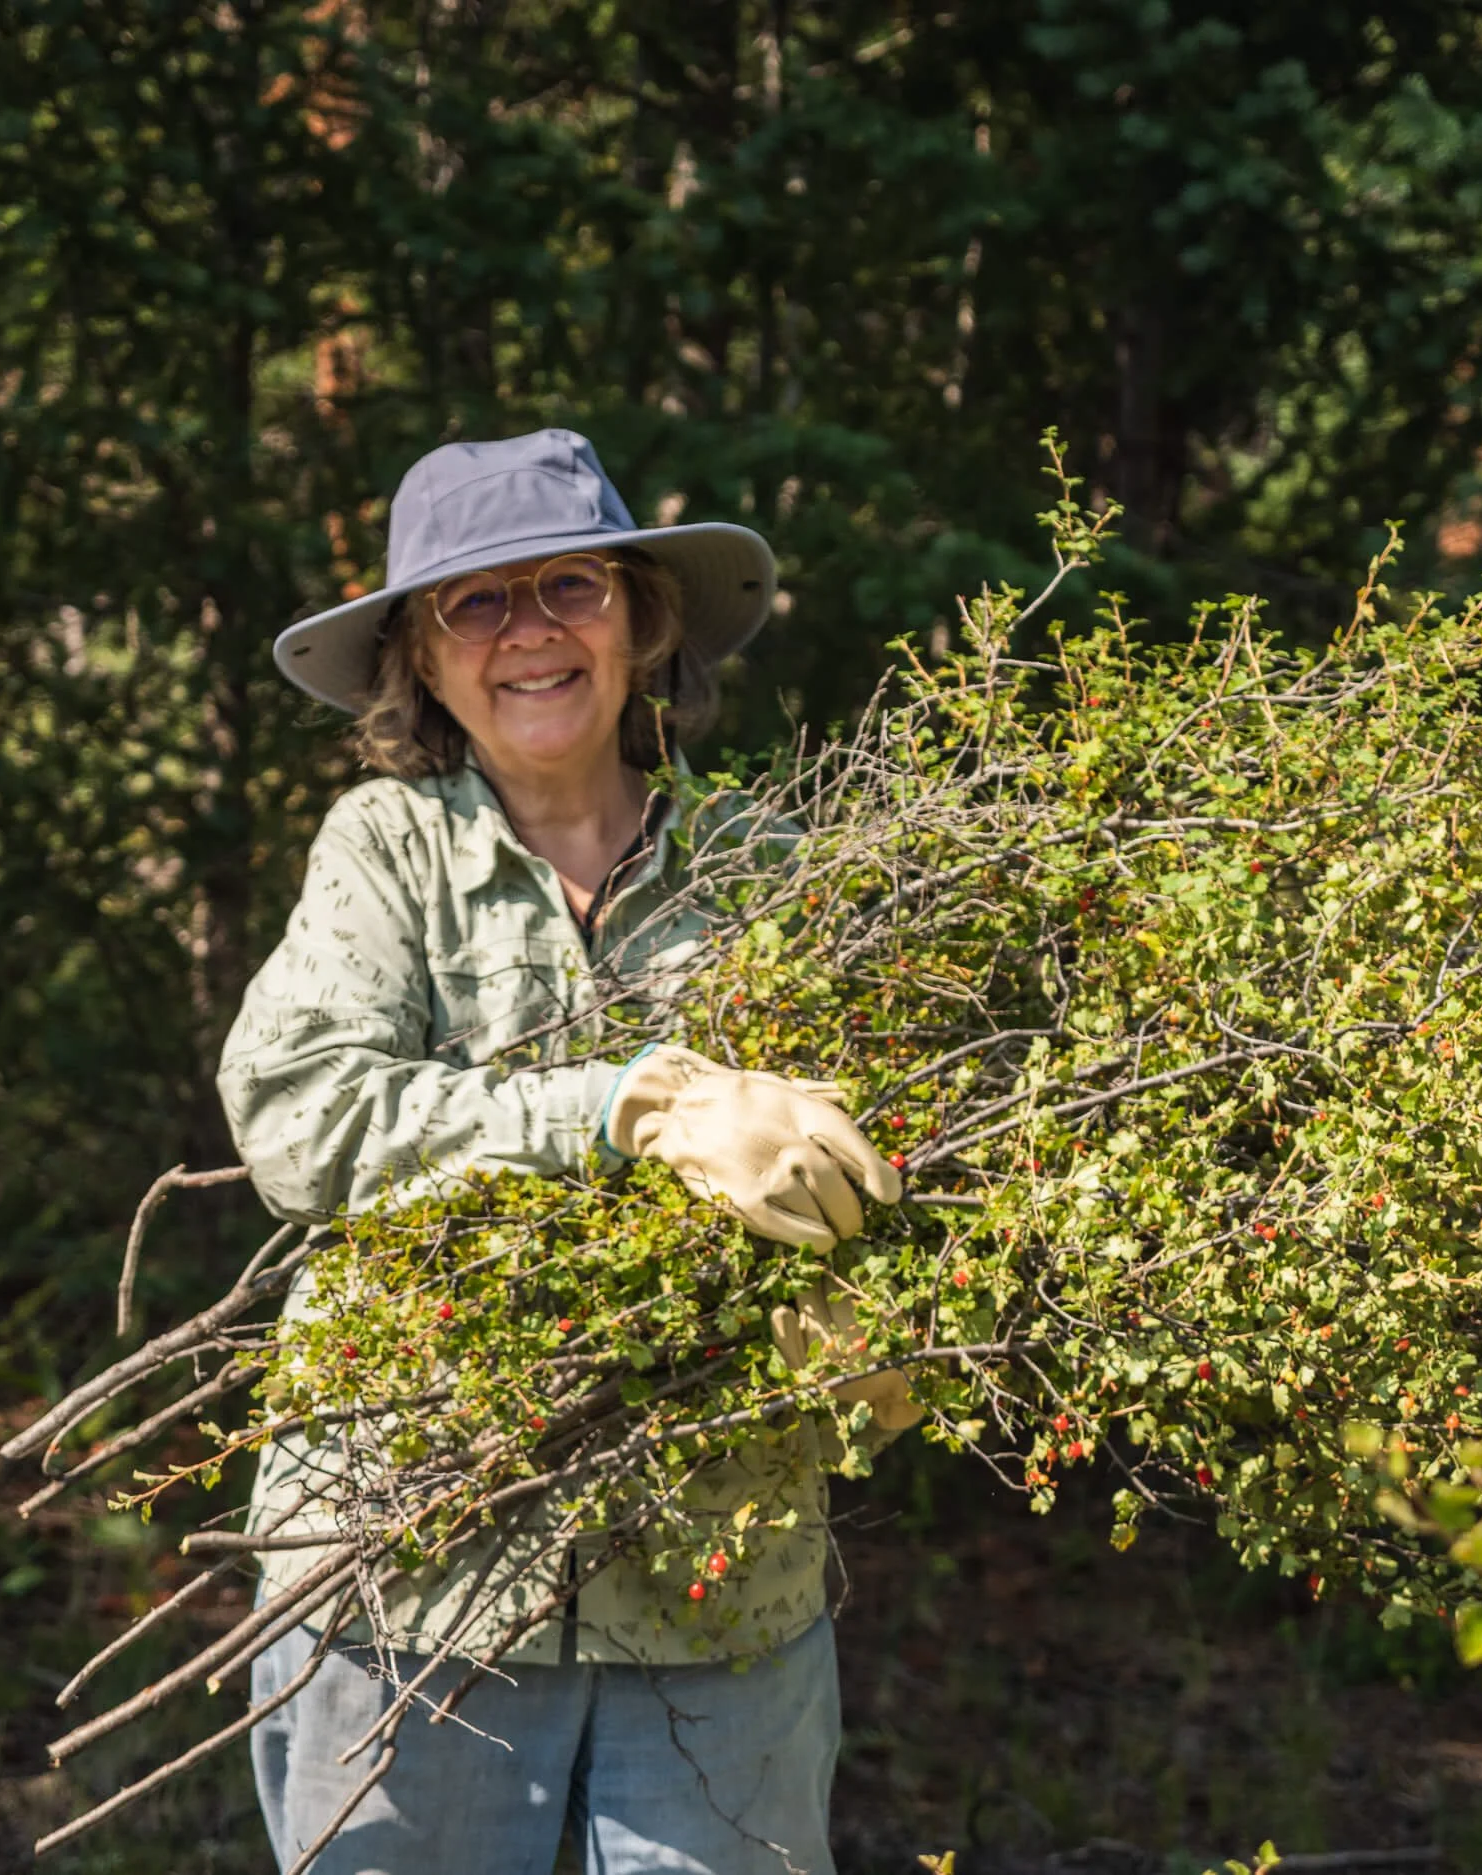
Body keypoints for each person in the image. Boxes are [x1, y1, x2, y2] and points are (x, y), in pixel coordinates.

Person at [216, 429, 908, 1875]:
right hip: (413, 1570)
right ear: (421, 656)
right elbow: (302, 1110)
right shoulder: (386, 849)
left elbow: (896, 1136)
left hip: (722, 1581)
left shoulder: (766, 870)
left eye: (570, 586)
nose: (527, 630)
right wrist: (621, 1107)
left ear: (641, 621)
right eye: (474, 602)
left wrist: (887, 1311)